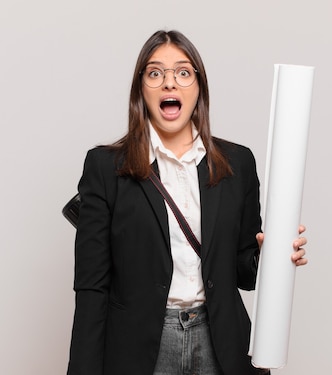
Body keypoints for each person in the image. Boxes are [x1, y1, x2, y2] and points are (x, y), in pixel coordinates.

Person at [67, 30, 308, 375]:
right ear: (141, 90)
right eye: (155, 73)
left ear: (199, 87)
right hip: (140, 347)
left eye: (183, 72)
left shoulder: (237, 163)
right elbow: (92, 285)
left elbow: (244, 273)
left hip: (221, 341)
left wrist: (274, 258)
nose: (170, 83)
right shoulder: (106, 167)